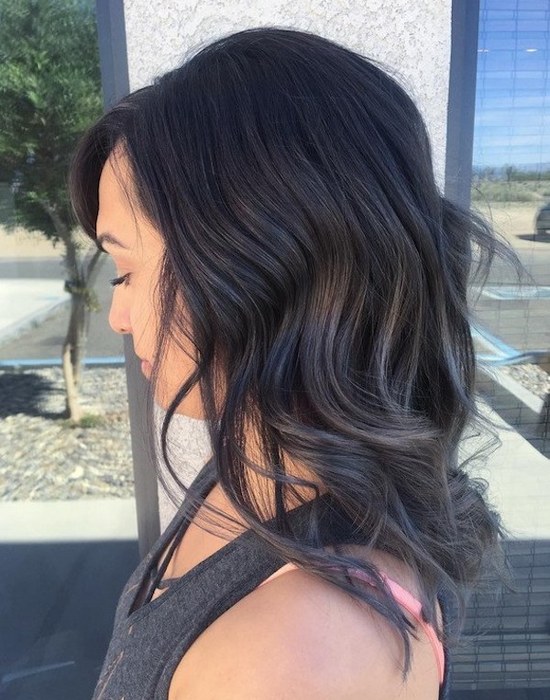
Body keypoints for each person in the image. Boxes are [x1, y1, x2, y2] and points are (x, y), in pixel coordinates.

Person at [69, 26, 510, 700]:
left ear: (261, 264)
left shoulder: (296, 660)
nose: (118, 315)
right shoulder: (264, 459)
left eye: (125, 271)